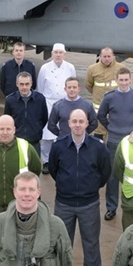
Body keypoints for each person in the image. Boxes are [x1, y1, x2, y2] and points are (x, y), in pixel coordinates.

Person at [48, 109, 111, 266]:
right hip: (64, 204)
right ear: (69, 123)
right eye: (74, 121)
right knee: (62, 245)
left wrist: (90, 188)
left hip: (89, 204)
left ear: (87, 124)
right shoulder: (58, 146)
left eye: (81, 121)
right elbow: (53, 170)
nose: (77, 124)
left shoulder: (98, 147)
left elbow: (105, 172)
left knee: (91, 244)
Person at [97, 67, 133, 221]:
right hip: (113, 140)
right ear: (116, 80)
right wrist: (111, 128)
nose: (124, 83)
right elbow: (101, 115)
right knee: (113, 175)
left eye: (126, 80)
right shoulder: (109, 97)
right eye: (121, 80)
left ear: (130, 80)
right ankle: (111, 208)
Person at [0, 115, 42, 225]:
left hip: (19, 204)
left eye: (8, 129)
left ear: (14, 130)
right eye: (1, 129)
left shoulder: (26, 147)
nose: (5, 132)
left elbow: (36, 169)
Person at [37, 43, 76, 172]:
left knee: (65, 131)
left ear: (64, 54)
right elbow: (40, 87)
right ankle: (46, 161)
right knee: (47, 135)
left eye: (61, 53)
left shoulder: (70, 67)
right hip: (49, 103)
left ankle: (64, 159)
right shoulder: (45, 68)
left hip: (66, 103)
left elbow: (73, 85)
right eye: (56, 53)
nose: (58, 55)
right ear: (52, 54)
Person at [3, 72, 47, 157]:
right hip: (16, 143)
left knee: (34, 169)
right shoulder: (10, 100)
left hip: (34, 142)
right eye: (21, 84)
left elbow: (44, 118)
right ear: (17, 84)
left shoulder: (40, 99)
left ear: (31, 84)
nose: (24, 87)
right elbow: (7, 119)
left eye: (27, 84)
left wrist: (36, 129)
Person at [85, 47, 125, 139]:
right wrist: (97, 94)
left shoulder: (121, 68)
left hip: (116, 108)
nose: (107, 59)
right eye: (104, 56)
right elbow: (88, 85)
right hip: (99, 108)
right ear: (100, 56)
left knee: (116, 132)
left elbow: (124, 84)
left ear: (113, 56)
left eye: (109, 56)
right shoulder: (92, 69)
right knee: (99, 132)